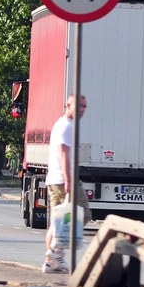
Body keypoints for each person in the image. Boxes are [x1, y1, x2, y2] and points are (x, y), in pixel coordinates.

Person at [43, 94, 86, 274]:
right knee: (83, 213)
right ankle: (55, 254)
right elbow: (63, 153)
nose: (82, 110)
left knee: (58, 220)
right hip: (62, 179)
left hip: (57, 178)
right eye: (79, 106)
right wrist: (69, 180)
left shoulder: (64, 124)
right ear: (68, 106)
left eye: (85, 106)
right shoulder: (66, 126)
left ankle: (51, 260)